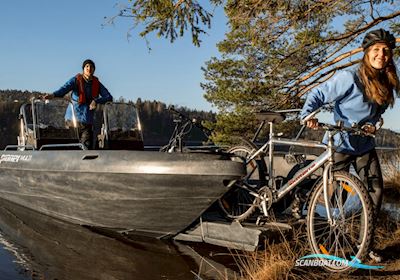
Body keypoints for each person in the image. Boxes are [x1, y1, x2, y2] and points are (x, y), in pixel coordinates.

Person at [300, 29, 399, 261]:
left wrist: (373, 124)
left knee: (375, 194)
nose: (381, 55)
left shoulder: (387, 79)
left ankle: (365, 244)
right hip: (341, 143)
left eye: (386, 51)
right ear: (367, 53)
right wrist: (308, 115)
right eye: (376, 50)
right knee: (332, 199)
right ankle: (321, 245)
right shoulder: (350, 77)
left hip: (364, 144)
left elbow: (379, 109)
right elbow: (319, 94)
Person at [46, 59, 113, 149]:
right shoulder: (76, 80)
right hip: (72, 119)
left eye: (91, 67)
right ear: (83, 69)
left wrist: (96, 101)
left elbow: (109, 97)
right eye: (87, 66)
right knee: (71, 146)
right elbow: (64, 89)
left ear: (94, 70)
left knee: (87, 145)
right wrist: (53, 95)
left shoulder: (97, 83)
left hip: (87, 121)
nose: (89, 68)